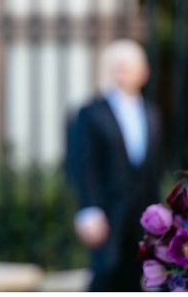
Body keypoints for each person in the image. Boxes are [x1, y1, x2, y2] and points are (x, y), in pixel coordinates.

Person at [65, 38, 163, 292]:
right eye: (117, 63)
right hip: (108, 215)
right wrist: (89, 209)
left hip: (140, 218)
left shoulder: (152, 114)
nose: (122, 69)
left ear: (144, 71)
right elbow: (82, 164)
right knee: (105, 277)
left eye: (129, 64)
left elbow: (152, 171)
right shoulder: (90, 113)